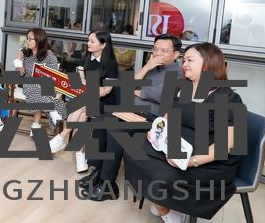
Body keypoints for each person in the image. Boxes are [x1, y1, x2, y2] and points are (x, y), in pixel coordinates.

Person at [123, 43, 244, 223]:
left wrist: (191, 161)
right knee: (134, 152)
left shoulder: (227, 97)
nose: (184, 64)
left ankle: (167, 210)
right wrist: (156, 131)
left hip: (207, 161)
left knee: (160, 174)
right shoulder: (183, 87)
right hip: (177, 148)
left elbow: (226, 145)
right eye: (184, 60)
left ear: (208, 63)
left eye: (190, 60)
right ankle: (164, 207)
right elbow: (167, 117)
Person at [78, 34, 182, 201]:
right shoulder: (153, 67)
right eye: (155, 49)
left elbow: (161, 96)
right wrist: (146, 67)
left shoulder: (177, 72)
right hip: (134, 112)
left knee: (115, 131)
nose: (158, 54)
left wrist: (140, 92)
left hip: (152, 118)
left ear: (176, 54)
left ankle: (108, 185)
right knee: (100, 120)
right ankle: (97, 172)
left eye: (164, 51)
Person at [48, 31, 118, 172]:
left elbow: (106, 91)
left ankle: (63, 135)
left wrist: (91, 88)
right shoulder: (85, 59)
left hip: (105, 102)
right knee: (81, 115)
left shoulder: (111, 64)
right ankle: (79, 154)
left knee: (81, 107)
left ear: (103, 45)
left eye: (92, 41)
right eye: (88, 40)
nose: (88, 44)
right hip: (87, 100)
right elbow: (81, 83)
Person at [15, 28, 65, 137]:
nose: (27, 41)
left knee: (38, 89)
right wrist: (19, 60)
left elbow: (55, 75)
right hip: (28, 84)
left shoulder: (49, 55)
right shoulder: (25, 54)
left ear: (38, 40)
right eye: (27, 38)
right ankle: (52, 110)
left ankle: (36, 124)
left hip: (47, 86)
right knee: (34, 87)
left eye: (30, 39)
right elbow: (20, 74)